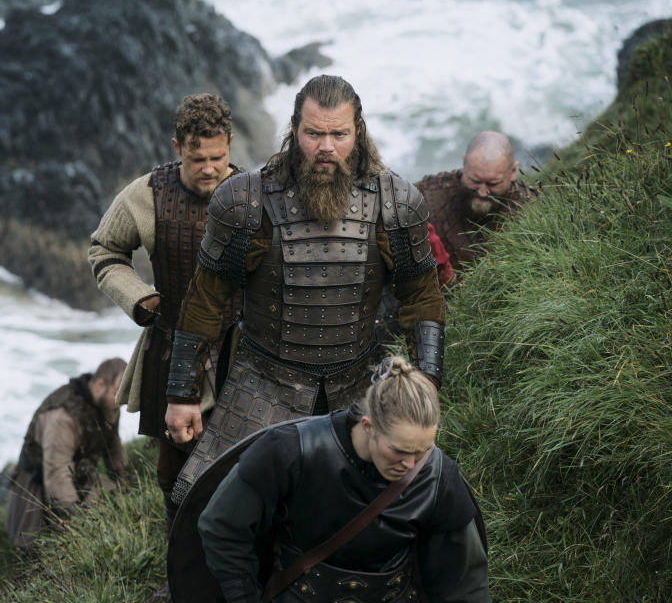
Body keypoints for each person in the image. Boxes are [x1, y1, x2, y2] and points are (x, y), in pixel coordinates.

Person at [164, 75, 447, 504]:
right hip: (262, 383)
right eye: (314, 133)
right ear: (295, 129)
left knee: (386, 505)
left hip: (358, 385)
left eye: (339, 134)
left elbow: (422, 296)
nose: (326, 147)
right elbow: (206, 297)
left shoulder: (396, 202)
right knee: (200, 501)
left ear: (359, 131)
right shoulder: (245, 201)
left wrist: (425, 382)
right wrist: (182, 395)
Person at [195, 356, 489, 603]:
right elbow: (222, 527)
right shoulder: (288, 452)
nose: (410, 465)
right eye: (399, 450)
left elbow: (464, 583)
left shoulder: (438, 476)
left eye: (422, 451)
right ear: (368, 425)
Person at [88, 93, 242, 529]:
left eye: (218, 156)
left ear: (229, 143)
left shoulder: (254, 193)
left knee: (244, 465)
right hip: (171, 346)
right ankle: (181, 564)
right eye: (197, 159)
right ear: (178, 148)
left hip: (241, 350)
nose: (209, 168)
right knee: (174, 473)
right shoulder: (147, 195)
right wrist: (139, 298)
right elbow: (104, 251)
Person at [5, 357, 128, 549]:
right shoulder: (62, 416)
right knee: (37, 547)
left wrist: (123, 481)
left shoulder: (109, 404)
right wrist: (77, 519)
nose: (121, 402)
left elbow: (112, 444)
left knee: (107, 494)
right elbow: (57, 472)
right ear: (99, 384)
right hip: (40, 480)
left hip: (79, 472)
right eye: (117, 393)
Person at [417, 131, 538, 273]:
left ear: (512, 172)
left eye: (493, 183)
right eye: (475, 181)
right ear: (464, 163)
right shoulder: (424, 195)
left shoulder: (533, 209)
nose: (482, 192)